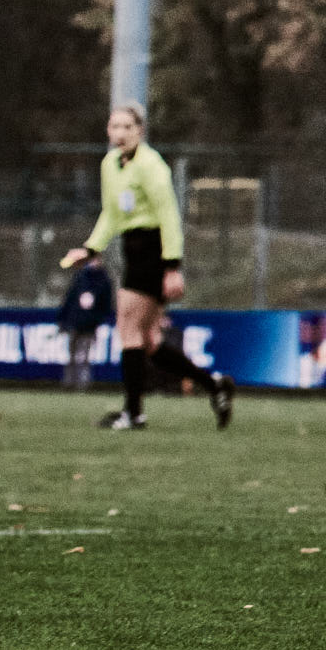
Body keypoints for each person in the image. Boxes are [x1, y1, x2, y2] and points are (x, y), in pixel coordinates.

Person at [62, 103, 235, 431]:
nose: (121, 133)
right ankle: (214, 385)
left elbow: (169, 215)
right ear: (108, 132)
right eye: (116, 127)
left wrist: (173, 266)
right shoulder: (110, 165)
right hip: (132, 249)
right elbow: (111, 214)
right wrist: (90, 247)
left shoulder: (152, 165)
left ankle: (133, 413)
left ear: (140, 131)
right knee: (151, 340)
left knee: (127, 328)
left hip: (153, 251)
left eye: (128, 126)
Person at [55, 255, 115, 389]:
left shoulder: (104, 280)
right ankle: (68, 382)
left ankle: (83, 384)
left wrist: (98, 319)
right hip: (75, 322)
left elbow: (106, 304)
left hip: (90, 324)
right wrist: (63, 319)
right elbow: (70, 299)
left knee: (85, 354)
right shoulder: (80, 277)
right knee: (72, 353)